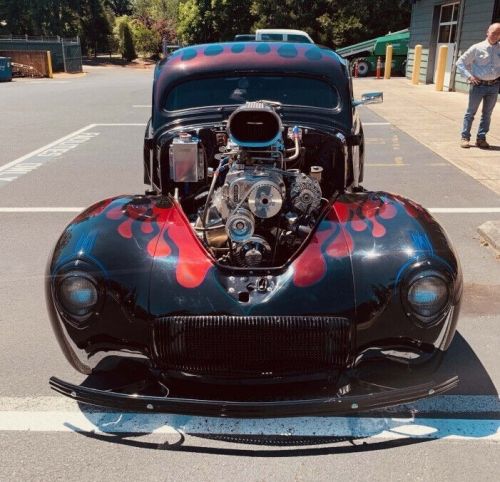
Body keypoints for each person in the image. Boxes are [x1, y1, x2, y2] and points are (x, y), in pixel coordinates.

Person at [456, 23, 500, 149]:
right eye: (494, 33)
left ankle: (481, 139)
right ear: (487, 32)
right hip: (478, 86)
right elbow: (460, 62)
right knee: (470, 113)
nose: (496, 36)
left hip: (494, 86)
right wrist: (469, 76)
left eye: (499, 34)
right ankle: (465, 137)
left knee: (487, 114)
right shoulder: (477, 48)